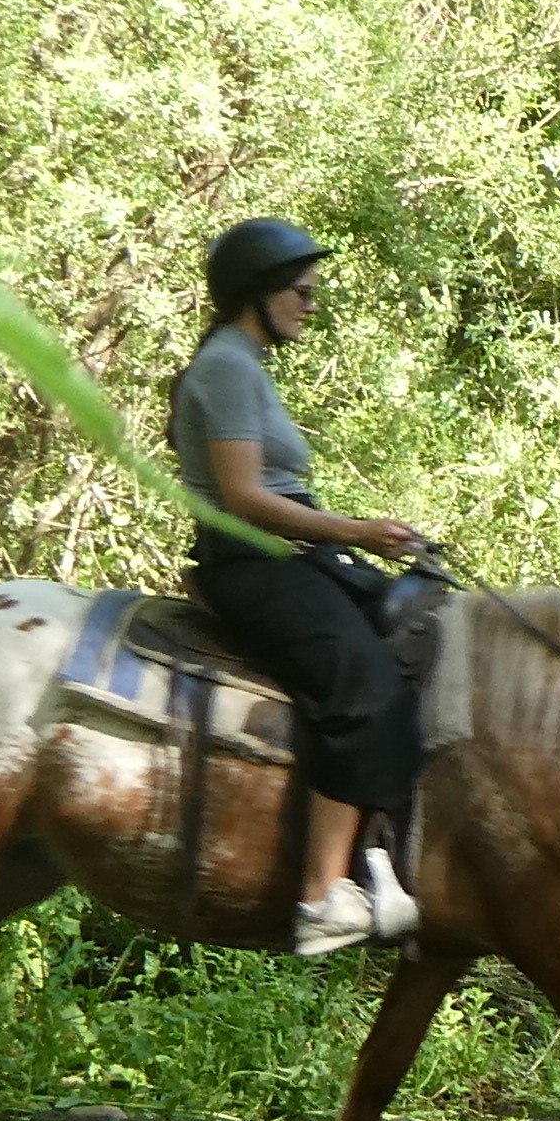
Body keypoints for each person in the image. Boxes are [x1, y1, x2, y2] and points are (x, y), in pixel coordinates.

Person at [173, 218, 431, 959]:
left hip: (294, 555)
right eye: (300, 288)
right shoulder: (225, 365)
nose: (311, 303)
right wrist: (357, 533)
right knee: (364, 685)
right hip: (252, 561)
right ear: (256, 292)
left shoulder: (245, 364)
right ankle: (321, 896)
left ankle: (375, 859)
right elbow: (244, 496)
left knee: (418, 632)